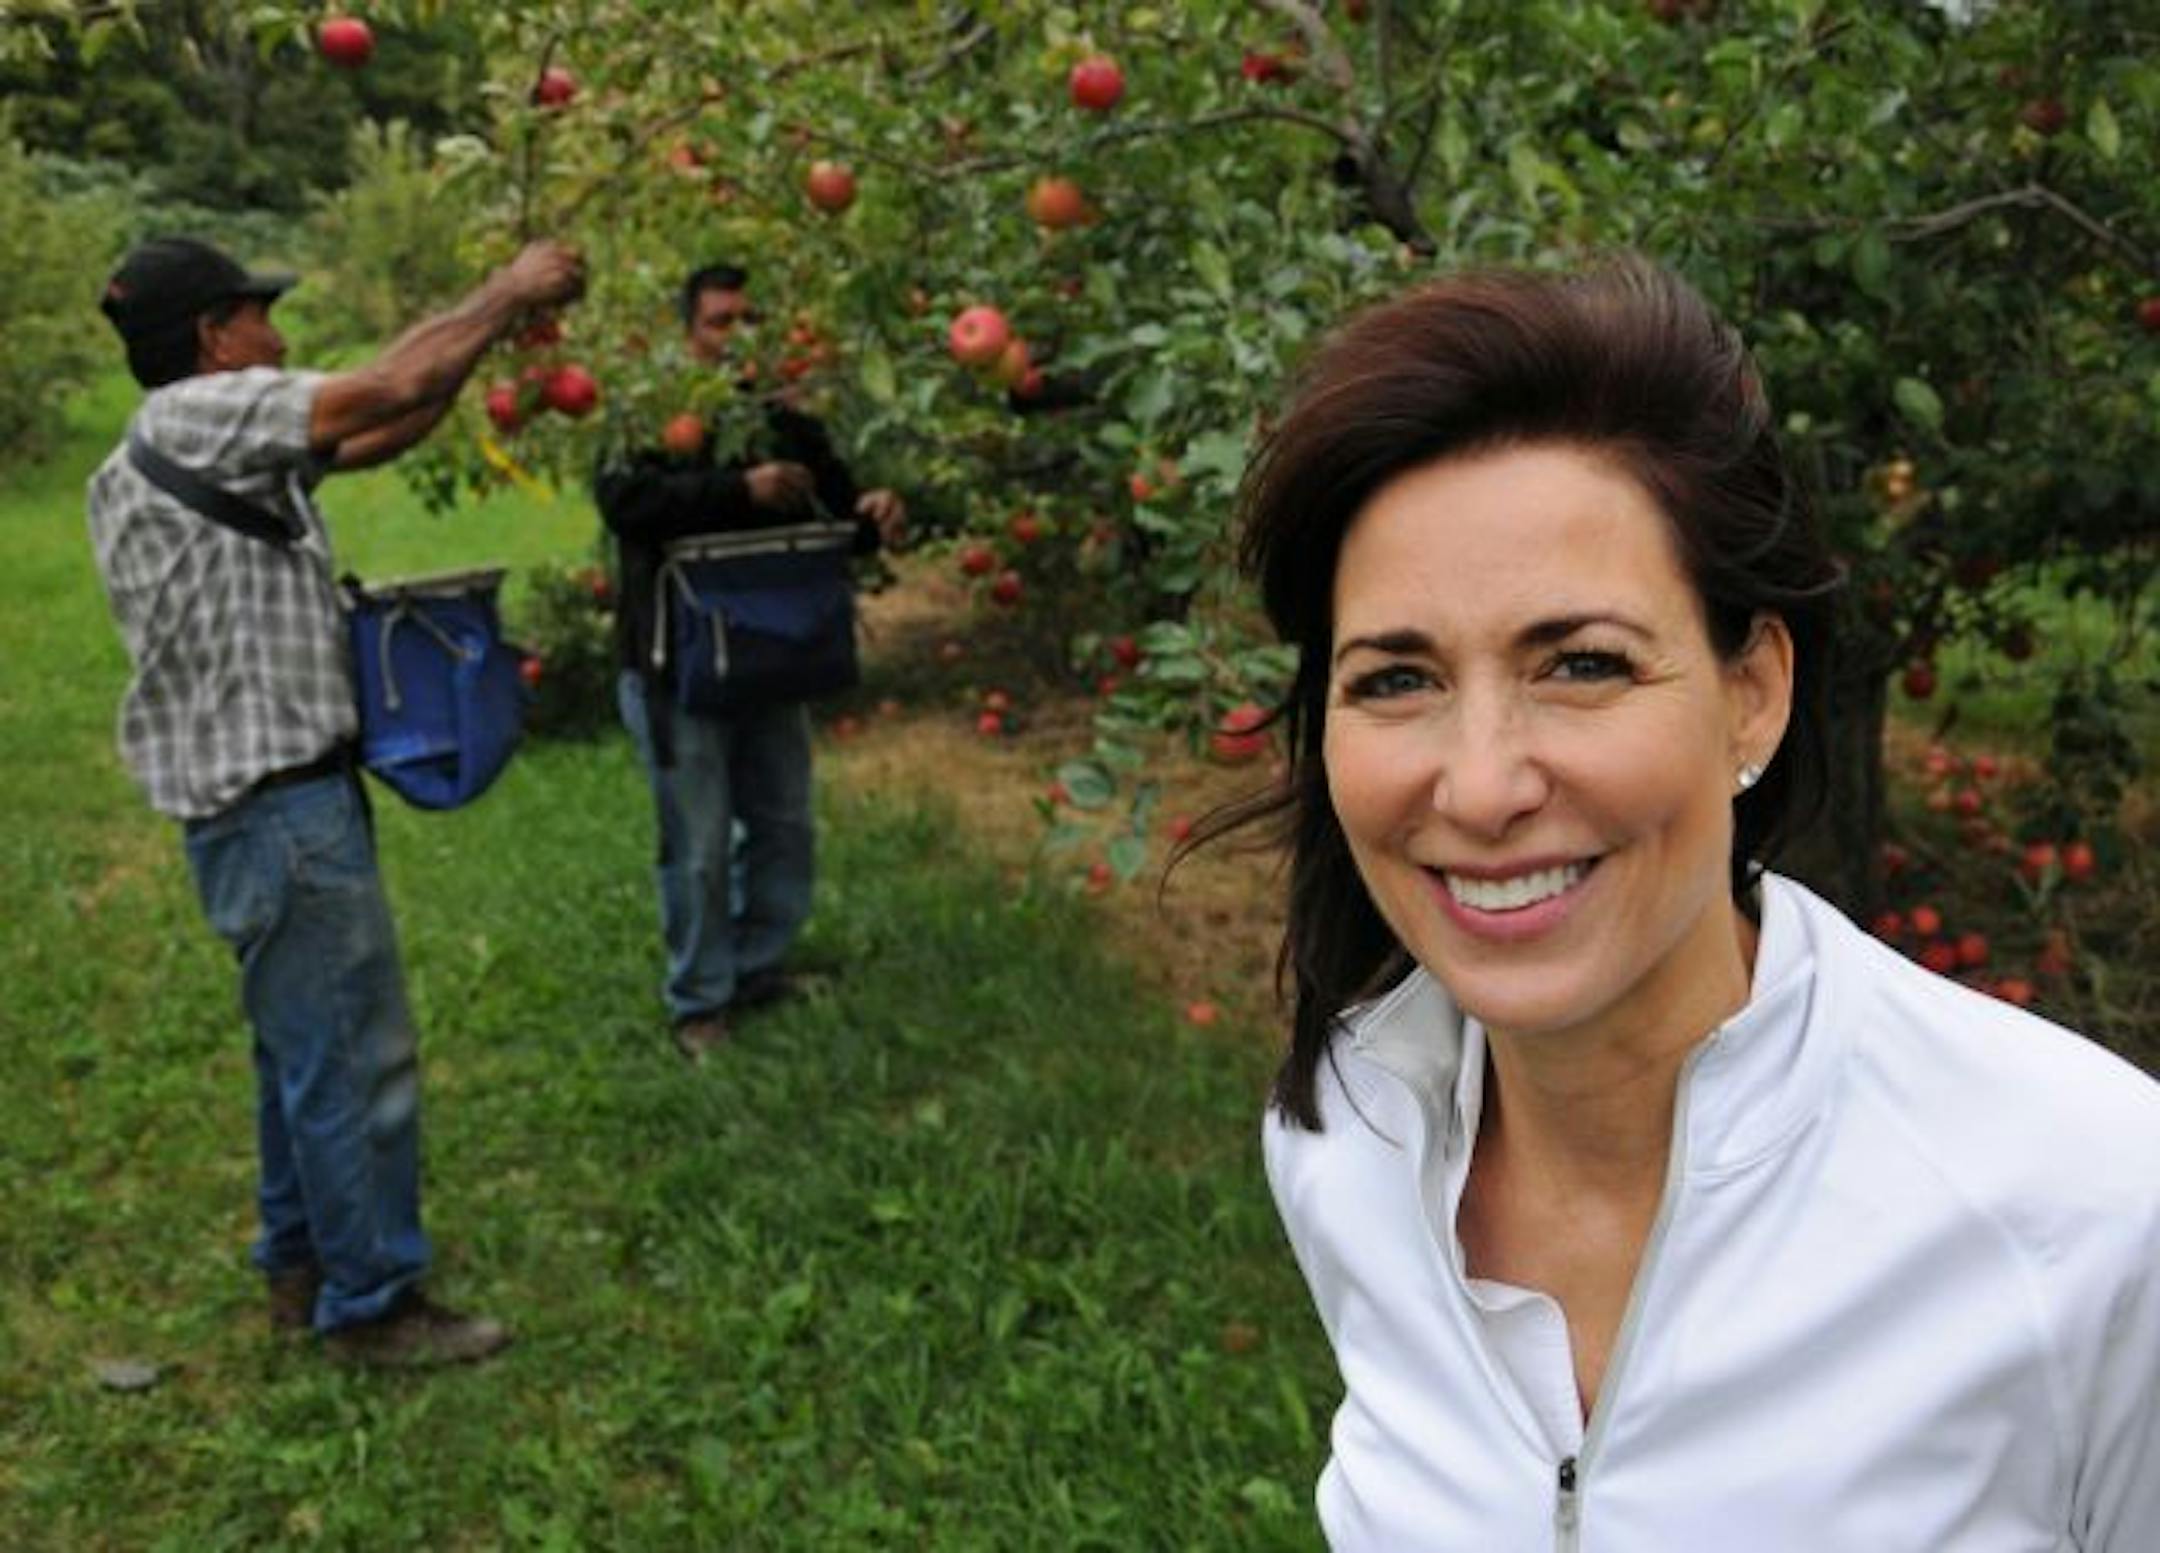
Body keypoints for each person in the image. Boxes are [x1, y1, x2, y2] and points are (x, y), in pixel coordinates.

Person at [1223, 256, 2160, 1548]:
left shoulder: (2091, 1208)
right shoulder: (1347, 1134)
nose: (1482, 785)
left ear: (1752, 693)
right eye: (1396, 679)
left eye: (1582, 663)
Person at [88, 233, 586, 1367]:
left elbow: (390, 422)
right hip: (281, 812)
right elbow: (390, 384)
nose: (279, 337)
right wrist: (506, 289)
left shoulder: (179, 448)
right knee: (359, 1059)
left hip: (255, 808)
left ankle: (301, 1260)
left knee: (299, 1052)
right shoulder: (203, 415)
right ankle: (373, 1305)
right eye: (259, 316)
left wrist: (489, 340)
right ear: (214, 337)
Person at [595, 262, 904, 1061]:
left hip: (768, 654)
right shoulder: (651, 412)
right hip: (679, 664)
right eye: (720, 322)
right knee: (697, 840)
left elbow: (830, 504)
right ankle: (700, 998)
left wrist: (870, 513)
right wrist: (740, 488)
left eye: (749, 321)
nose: (738, 338)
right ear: (686, 332)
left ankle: (759, 964)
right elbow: (626, 503)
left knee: (783, 821)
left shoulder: (779, 412)